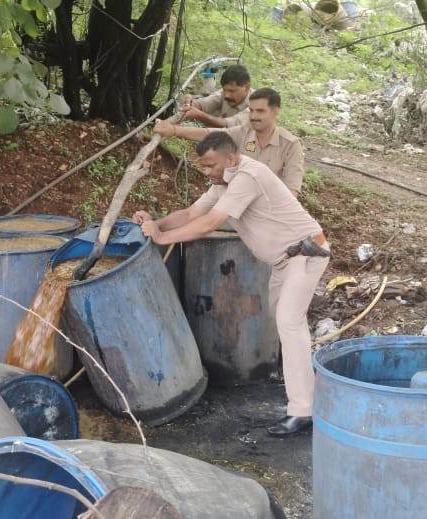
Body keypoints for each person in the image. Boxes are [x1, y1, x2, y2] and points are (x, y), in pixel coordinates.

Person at [133, 132, 329, 437]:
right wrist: (155, 224)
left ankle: (303, 411)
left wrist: (163, 238)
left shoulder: (247, 177)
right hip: (283, 261)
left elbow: (210, 223)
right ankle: (310, 398)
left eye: (211, 165)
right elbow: (191, 214)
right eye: (203, 166)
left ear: (231, 158)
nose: (206, 171)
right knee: (289, 326)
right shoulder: (223, 183)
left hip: (305, 254)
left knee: (290, 324)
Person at [157, 88, 304, 196]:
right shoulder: (244, 132)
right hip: (236, 203)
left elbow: (291, 192)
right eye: (251, 110)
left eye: (260, 111)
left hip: (269, 212)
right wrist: (174, 130)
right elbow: (209, 133)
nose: (253, 116)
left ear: (275, 111)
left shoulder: (291, 145)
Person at [180, 65, 252, 120]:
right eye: (225, 90)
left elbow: (231, 126)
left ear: (247, 87)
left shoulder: (255, 104)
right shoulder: (222, 94)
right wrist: (189, 103)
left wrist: (200, 115)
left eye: (232, 91)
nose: (227, 95)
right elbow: (204, 103)